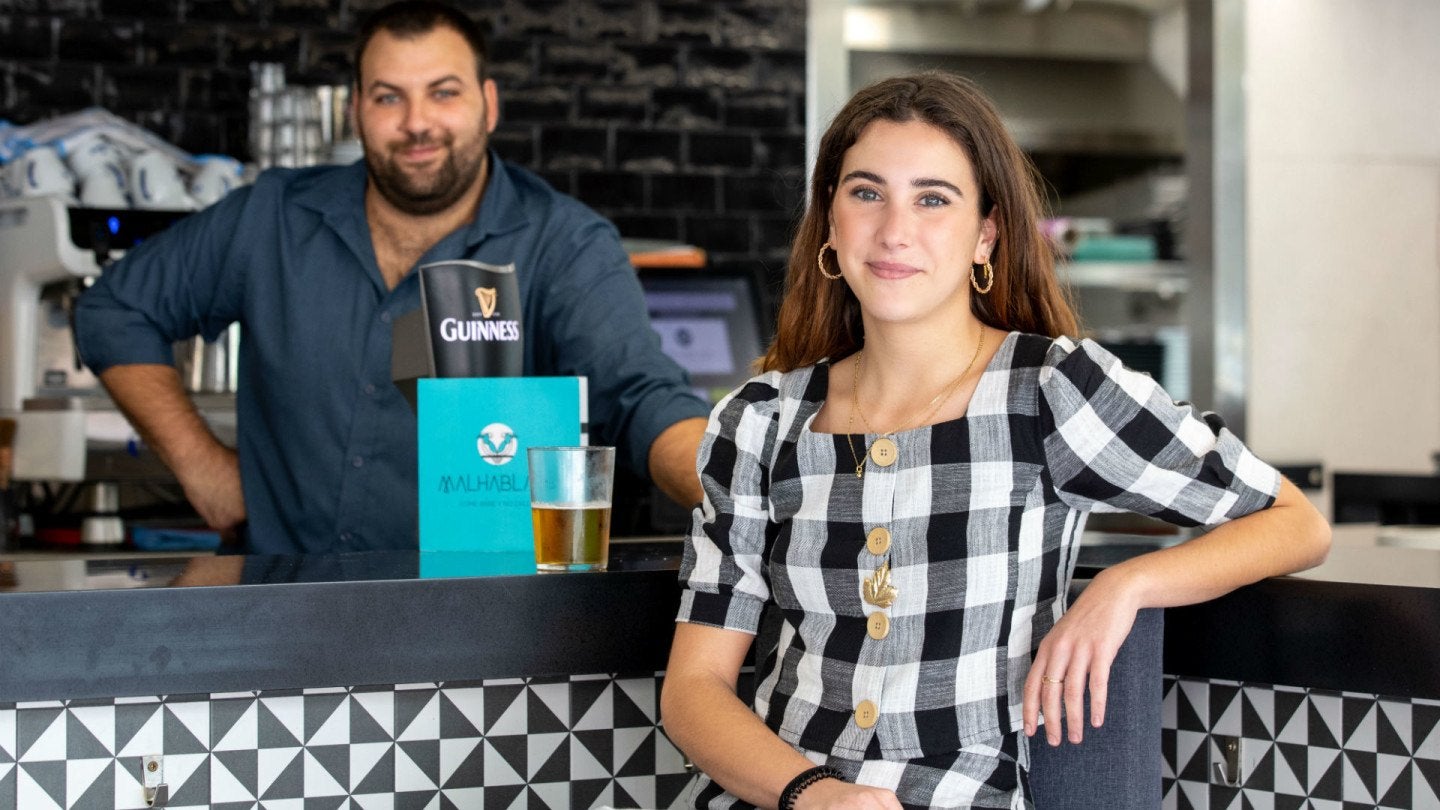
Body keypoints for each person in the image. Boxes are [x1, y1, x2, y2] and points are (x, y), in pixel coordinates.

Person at [659, 71, 1330, 809]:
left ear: (987, 232)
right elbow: (695, 690)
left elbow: (1294, 521)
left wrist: (1128, 584)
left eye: (933, 199)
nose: (894, 230)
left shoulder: (1050, 390)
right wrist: (815, 794)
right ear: (829, 220)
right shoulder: (759, 421)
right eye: (866, 192)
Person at [74, 0, 709, 554]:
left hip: (489, 627)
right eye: (388, 97)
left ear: (488, 105)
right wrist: (200, 464)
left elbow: (642, 399)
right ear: (356, 111)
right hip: (281, 617)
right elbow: (114, 311)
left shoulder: (564, 244)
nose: (416, 124)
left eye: (443, 92)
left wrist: (737, 486)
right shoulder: (270, 216)